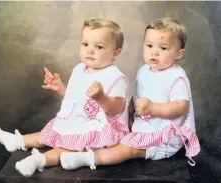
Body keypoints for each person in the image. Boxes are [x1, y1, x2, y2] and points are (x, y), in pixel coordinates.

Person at [60, 17, 201, 171]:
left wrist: (153, 108)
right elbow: (137, 97)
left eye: (164, 48)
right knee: (116, 138)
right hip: (142, 129)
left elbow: (181, 107)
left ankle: (89, 159)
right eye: (149, 45)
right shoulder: (144, 71)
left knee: (127, 150)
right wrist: (130, 116)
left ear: (179, 53)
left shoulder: (176, 78)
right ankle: (88, 149)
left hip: (164, 138)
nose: (154, 52)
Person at [0, 18, 129, 177]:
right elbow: (76, 99)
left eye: (99, 47)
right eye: (85, 44)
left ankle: (38, 161)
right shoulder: (80, 69)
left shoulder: (115, 77)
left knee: (64, 149)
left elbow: (116, 109)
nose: (90, 50)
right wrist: (61, 88)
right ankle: (18, 141)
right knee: (48, 134)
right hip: (79, 121)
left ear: (115, 53)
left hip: (98, 130)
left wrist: (101, 97)